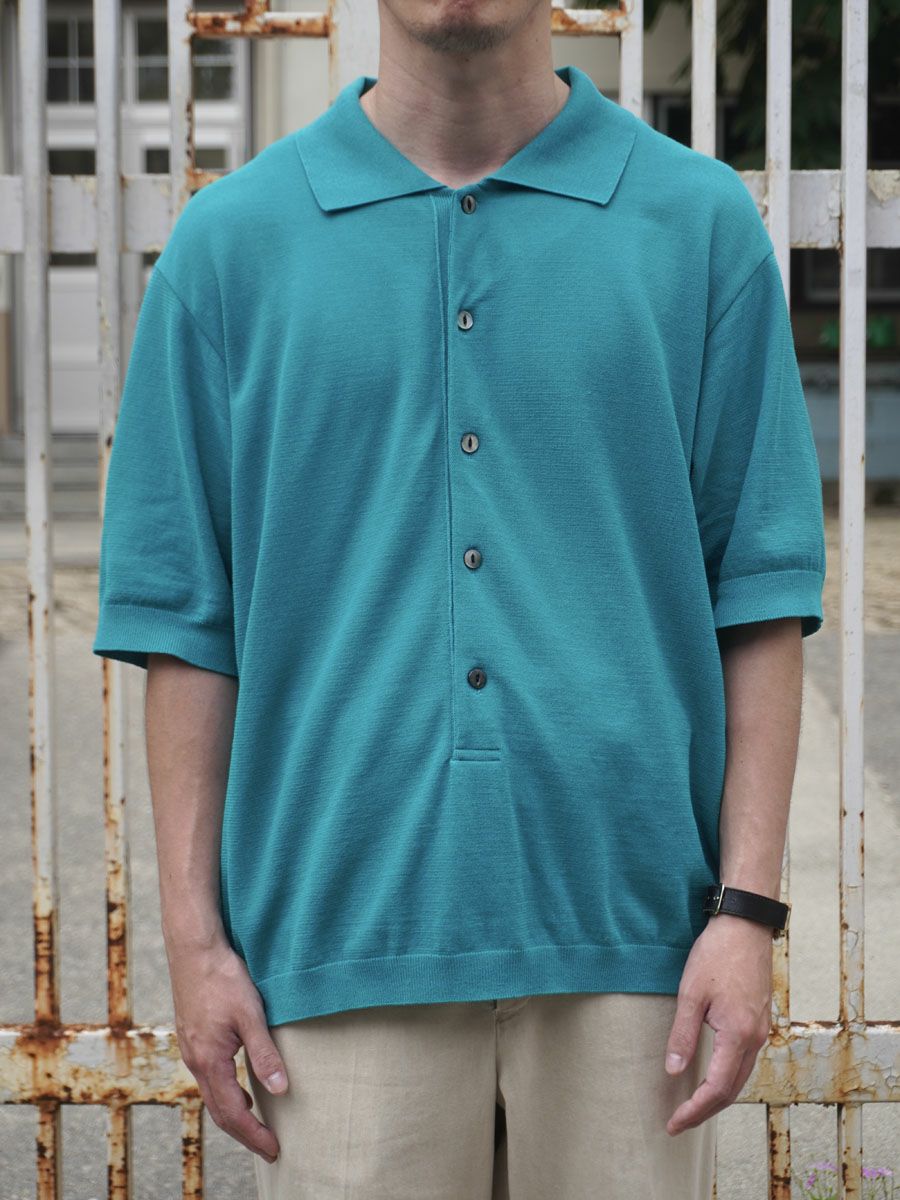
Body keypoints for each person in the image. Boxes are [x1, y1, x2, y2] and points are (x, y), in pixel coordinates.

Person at [92, 0, 827, 1194]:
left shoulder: (696, 226)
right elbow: (186, 626)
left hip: (638, 950)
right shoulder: (230, 247)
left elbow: (759, 597)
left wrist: (746, 914)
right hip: (331, 950)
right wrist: (194, 942)